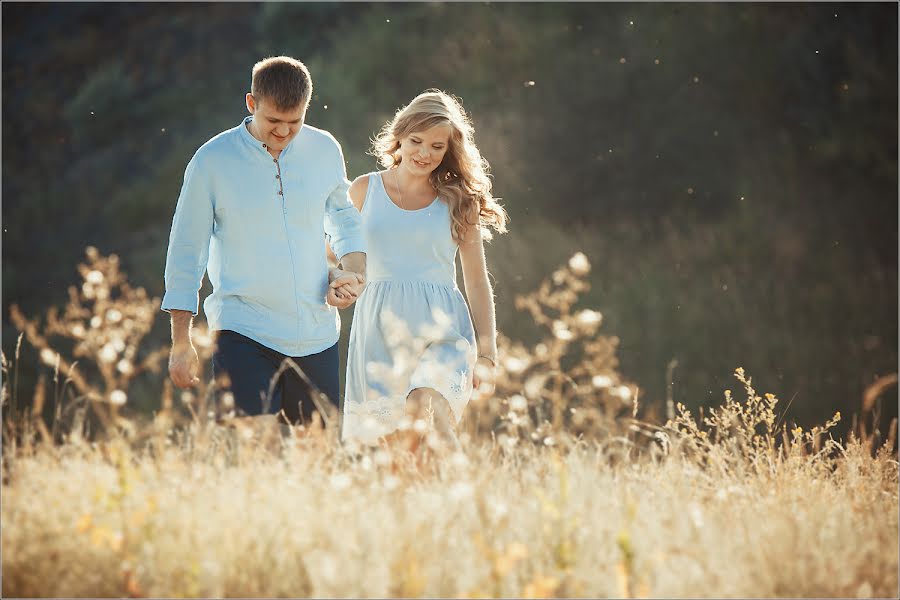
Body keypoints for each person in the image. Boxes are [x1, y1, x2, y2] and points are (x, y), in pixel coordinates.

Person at [162, 56, 366, 428]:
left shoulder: (324, 149)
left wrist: (353, 273)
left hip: (316, 331)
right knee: (258, 452)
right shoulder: (212, 161)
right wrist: (181, 340)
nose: (284, 132)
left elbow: (344, 217)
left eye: (295, 122)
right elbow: (186, 250)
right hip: (243, 328)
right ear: (251, 104)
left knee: (314, 461)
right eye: (273, 121)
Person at [340, 90, 508, 456]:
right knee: (398, 451)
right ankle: (424, 508)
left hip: (442, 329)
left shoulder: (457, 201)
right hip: (379, 331)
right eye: (416, 141)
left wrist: (487, 353)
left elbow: (477, 281)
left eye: (436, 146)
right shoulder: (363, 190)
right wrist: (337, 284)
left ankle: (464, 493)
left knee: (427, 406)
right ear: (399, 136)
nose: (424, 153)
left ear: (449, 149)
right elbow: (332, 257)